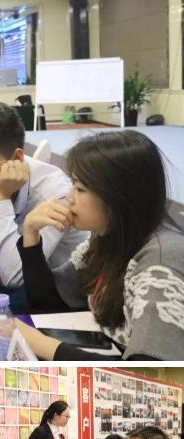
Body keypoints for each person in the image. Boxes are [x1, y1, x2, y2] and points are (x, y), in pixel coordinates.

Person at [12, 130, 184, 360]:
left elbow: (146, 370)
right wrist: (31, 232)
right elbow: (50, 300)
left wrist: (39, 344)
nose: (69, 197)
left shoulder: (162, 259)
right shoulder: (109, 235)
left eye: (80, 188)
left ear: (118, 196)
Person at [0, 101, 86, 287]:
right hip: (5, 290)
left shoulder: (54, 192)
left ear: (18, 158)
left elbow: (16, 277)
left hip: (59, 294)